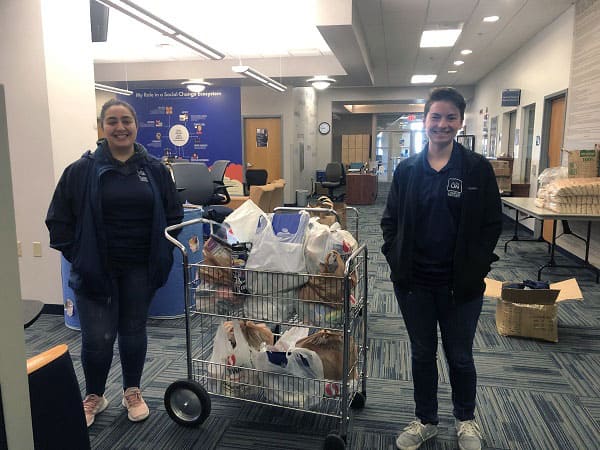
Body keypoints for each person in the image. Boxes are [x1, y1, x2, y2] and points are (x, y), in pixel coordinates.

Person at [46, 99, 184, 427]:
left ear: (136, 125)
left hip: (140, 268)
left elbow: (173, 215)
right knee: (98, 338)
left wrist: (161, 254)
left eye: (126, 120)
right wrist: (79, 255)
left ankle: (132, 391)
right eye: (112, 121)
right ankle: (94, 395)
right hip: (96, 269)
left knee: (133, 331)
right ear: (102, 127)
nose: (120, 127)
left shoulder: (154, 169)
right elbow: (58, 221)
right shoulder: (81, 170)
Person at [380, 87, 502, 450]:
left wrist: (476, 265)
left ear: (460, 122)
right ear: (425, 120)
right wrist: (395, 256)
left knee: (460, 356)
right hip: (414, 284)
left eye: (450, 117)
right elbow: (390, 221)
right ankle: (426, 419)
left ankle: (465, 419)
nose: (443, 124)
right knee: (421, 354)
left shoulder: (476, 169)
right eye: (436, 117)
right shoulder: (407, 170)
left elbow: (492, 224)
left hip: (460, 287)